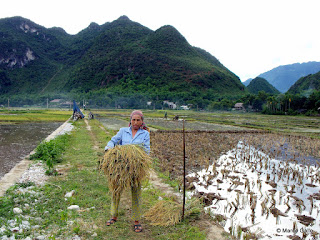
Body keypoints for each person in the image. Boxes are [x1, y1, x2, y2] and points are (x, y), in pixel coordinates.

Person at [104, 110, 150, 233]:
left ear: (142, 121)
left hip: (136, 167)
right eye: (133, 120)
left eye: (138, 120)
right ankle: (113, 215)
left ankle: (136, 221)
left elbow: (146, 150)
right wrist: (109, 148)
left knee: (136, 192)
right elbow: (113, 141)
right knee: (116, 190)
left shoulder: (145, 134)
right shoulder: (123, 131)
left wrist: (135, 155)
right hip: (121, 167)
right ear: (130, 120)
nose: (135, 122)